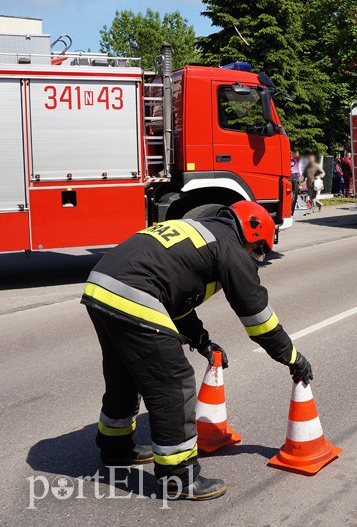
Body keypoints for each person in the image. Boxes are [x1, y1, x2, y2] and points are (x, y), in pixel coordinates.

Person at [81, 202, 313, 501]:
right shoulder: (230, 246)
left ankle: (115, 449)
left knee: (124, 375)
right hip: (134, 291)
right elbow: (258, 318)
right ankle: (178, 477)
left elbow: (175, 299)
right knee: (173, 382)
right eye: (257, 250)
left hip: (101, 287)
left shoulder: (201, 232)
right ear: (252, 233)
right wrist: (292, 357)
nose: (255, 258)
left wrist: (201, 339)